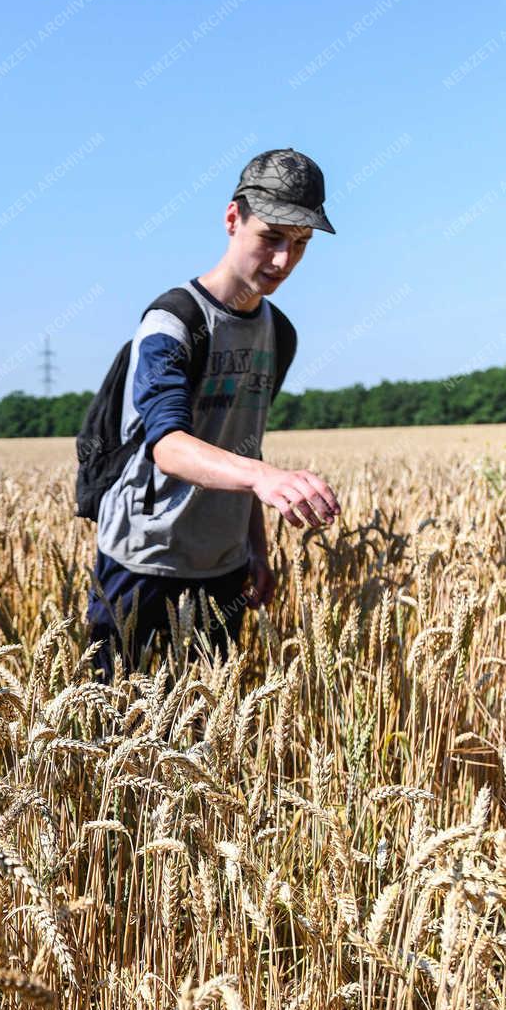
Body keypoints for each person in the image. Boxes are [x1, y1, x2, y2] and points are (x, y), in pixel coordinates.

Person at [88, 148, 341, 679]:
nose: (283, 261)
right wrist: (266, 479)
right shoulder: (171, 322)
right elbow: (168, 445)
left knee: (205, 736)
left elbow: (244, 442)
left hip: (224, 566)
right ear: (233, 219)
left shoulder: (280, 333)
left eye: (300, 245)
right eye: (271, 237)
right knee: (114, 728)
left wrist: (257, 548)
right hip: (143, 559)